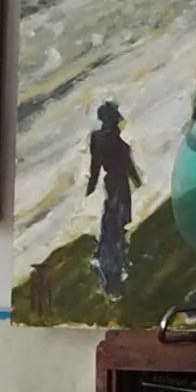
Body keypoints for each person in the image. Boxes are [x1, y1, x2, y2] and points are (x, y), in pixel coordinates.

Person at [86, 101, 141, 299]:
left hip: (113, 181)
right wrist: (137, 180)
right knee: (117, 221)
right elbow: (127, 164)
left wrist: (91, 186)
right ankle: (113, 265)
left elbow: (95, 165)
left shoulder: (98, 138)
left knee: (113, 218)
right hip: (120, 183)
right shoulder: (116, 141)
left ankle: (110, 259)